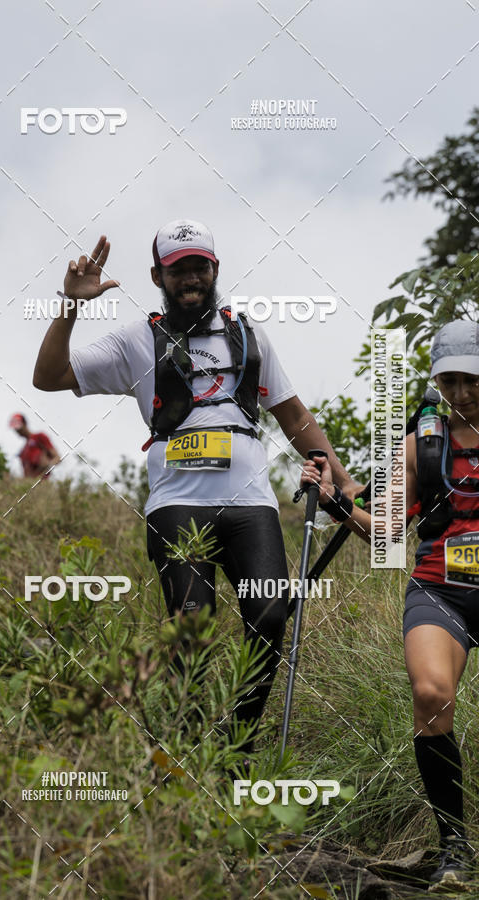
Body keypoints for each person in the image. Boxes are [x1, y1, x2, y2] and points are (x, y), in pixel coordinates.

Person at [33, 220, 362, 760]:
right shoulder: (136, 340)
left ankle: (235, 753)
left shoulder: (248, 335)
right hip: (177, 505)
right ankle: (183, 758)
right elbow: (49, 377)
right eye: (178, 269)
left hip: (251, 504)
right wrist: (70, 305)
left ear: (215, 269)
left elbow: (293, 415)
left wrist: (344, 481)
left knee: (270, 615)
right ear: (157, 276)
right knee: (192, 628)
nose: (190, 278)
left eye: (199, 267)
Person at [300, 320, 479, 893]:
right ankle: (454, 846)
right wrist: (334, 502)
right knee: (430, 694)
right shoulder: (421, 444)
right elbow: (385, 534)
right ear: (437, 383)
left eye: (472, 379)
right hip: (439, 589)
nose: (462, 393)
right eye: (450, 382)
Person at [9, 413, 61, 478]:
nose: (17, 431)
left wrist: (47, 465)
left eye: (18, 427)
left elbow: (57, 458)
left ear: (25, 424)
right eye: (15, 429)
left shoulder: (39, 437)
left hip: (44, 481)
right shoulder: (23, 451)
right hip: (30, 482)